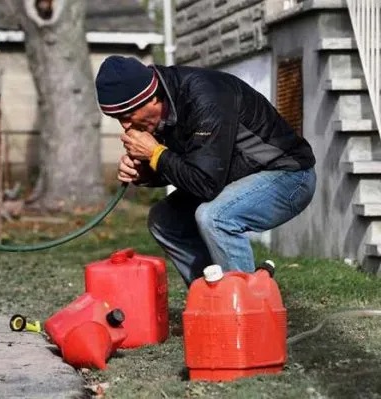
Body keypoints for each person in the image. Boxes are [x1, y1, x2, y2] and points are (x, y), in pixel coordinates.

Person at [94, 55, 316, 287]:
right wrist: (145, 173)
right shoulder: (159, 113)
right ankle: (208, 298)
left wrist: (155, 154)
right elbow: (189, 169)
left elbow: (205, 184)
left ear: (152, 99)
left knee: (215, 217)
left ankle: (243, 308)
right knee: (164, 220)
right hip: (232, 178)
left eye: (128, 116)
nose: (126, 126)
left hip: (290, 176)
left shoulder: (206, 98)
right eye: (118, 118)